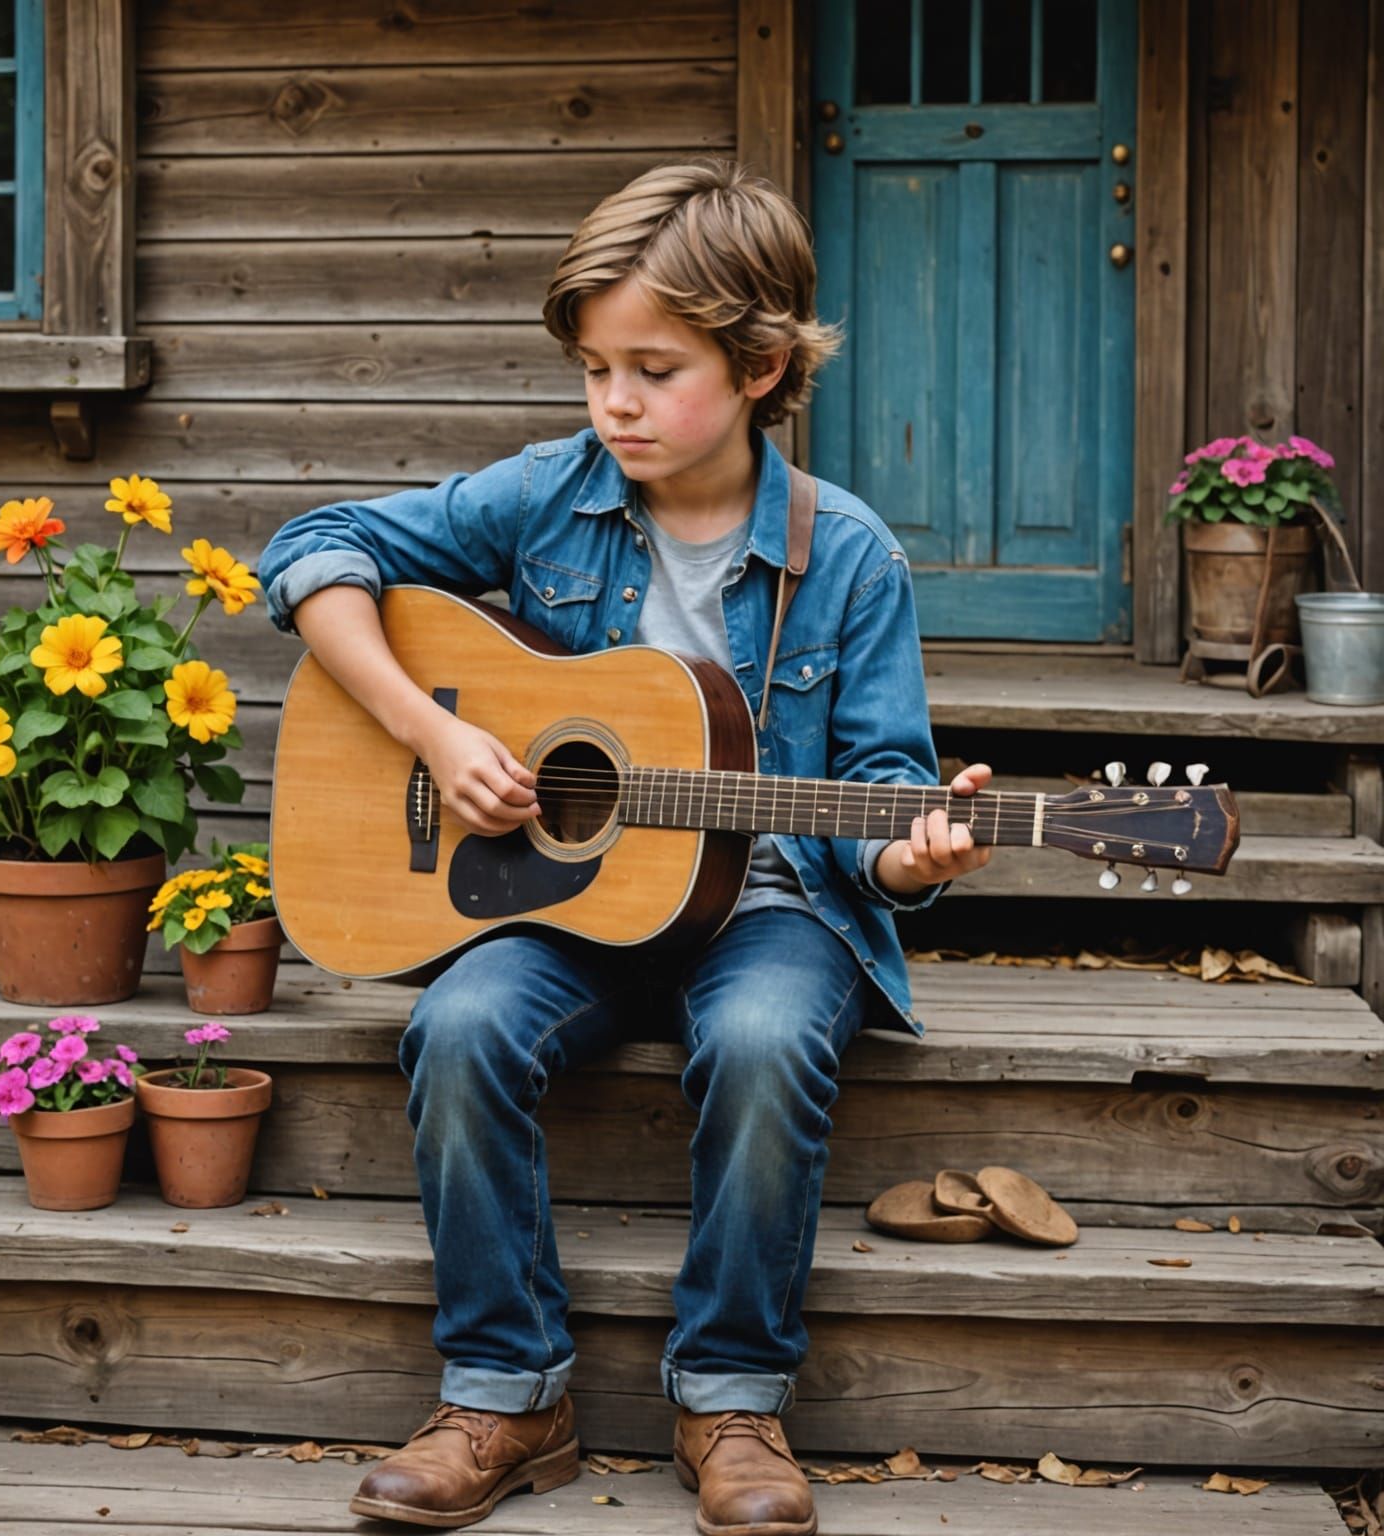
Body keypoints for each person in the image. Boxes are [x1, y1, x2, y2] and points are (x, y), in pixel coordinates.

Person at [258, 158, 992, 1536]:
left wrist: (914, 857)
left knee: (769, 1039)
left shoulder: (850, 558)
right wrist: (429, 733)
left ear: (766, 364)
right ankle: (506, 1391)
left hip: (771, 900)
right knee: (464, 1025)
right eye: (596, 368)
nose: (615, 404)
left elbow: (885, 798)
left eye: (655, 370)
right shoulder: (551, 495)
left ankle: (729, 1397)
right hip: (567, 905)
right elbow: (315, 548)